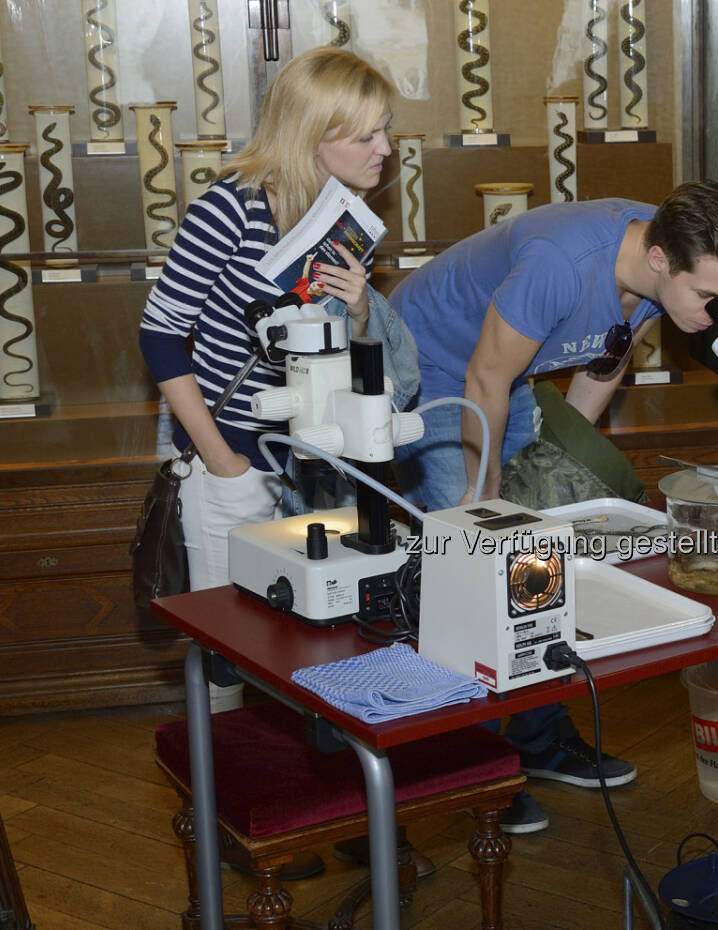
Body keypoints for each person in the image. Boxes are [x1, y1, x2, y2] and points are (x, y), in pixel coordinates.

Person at [391, 180, 718, 833]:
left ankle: (538, 742)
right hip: (436, 374)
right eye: (709, 298)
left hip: (512, 377)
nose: (717, 314)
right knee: (482, 570)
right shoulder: (561, 264)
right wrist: (484, 503)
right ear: (659, 261)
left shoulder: (659, 263)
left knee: (543, 567)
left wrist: (567, 467)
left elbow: (607, 356)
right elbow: (484, 378)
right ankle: (476, 773)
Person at [138, 46, 418, 880]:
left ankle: (330, 806)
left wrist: (363, 304)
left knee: (319, 629)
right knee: (228, 642)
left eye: (386, 132)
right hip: (224, 454)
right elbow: (160, 334)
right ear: (315, 135)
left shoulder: (347, 224)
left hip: (309, 459)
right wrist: (220, 462)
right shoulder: (229, 210)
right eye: (367, 135)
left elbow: (349, 354)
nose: (385, 151)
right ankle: (238, 822)